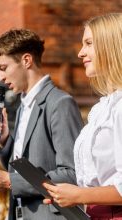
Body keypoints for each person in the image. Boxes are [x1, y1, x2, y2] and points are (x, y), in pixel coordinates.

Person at [0, 28, 83, 220]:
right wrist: (4, 142)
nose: (0, 77)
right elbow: (25, 167)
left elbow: (72, 174)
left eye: (3, 68)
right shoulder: (23, 108)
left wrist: (11, 181)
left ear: (26, 60)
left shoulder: (59, 103)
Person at [43, 13, 122, 219]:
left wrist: (79, 195)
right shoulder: (101, 108)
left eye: (88, 43)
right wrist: (66, 194)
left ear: (110, 45)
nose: (80, 53)